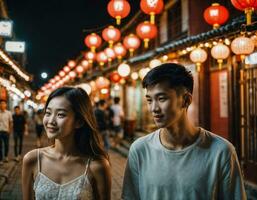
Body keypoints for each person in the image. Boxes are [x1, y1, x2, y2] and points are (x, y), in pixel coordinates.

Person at [122, 63, 246, 200]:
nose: (154, 108)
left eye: (161, 98)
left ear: (186, 100)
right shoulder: (140, 150)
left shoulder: (221, 151)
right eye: (149, 100)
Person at [22, 87, 111, 200]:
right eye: (48, 113)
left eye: (60, 115)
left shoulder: (97, 166)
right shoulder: (32, 159)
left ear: (79, 122)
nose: (51, 121)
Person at [0, 99, 13, 164]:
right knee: (0, 146)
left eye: (3, 104)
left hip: (6, 131)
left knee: (6, 145)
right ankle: (1, 159)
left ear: (6, 105)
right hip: (0, 131)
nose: (2, 105)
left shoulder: (8, 113)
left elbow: (10, 122)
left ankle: (6, 156)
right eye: (1, 103)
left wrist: (9, 130)